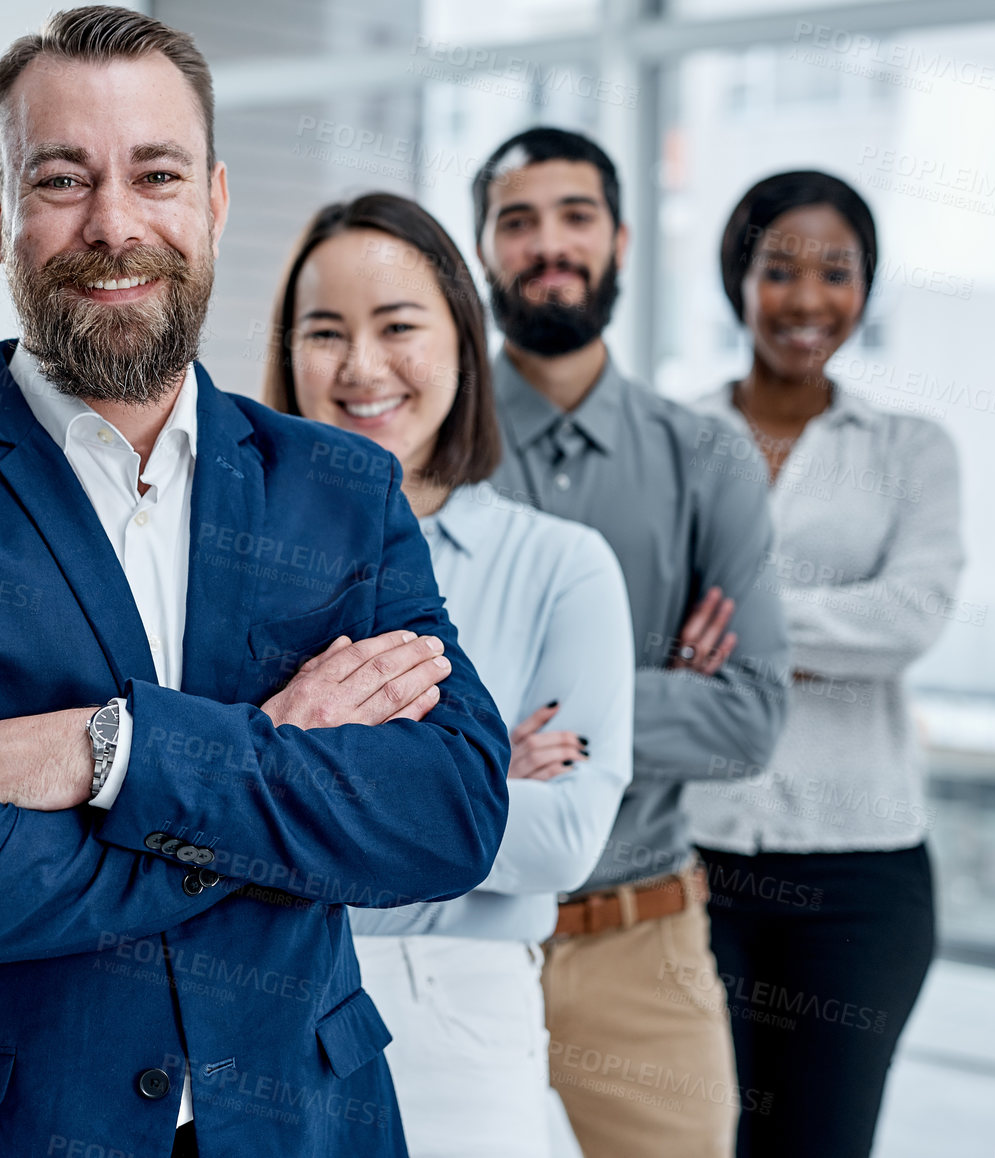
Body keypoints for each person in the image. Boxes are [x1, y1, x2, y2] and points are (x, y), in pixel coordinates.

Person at [0, 9, 512, 1158]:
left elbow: (449, 813)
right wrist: (272, 756)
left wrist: (115, 755)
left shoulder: (341, 489)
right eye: (63, 179)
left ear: (212, 200)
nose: (114, 224)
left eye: (155, 174)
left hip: (301, 1124)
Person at [264, 192, 633, 1157]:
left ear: (465, 344)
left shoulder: (564, 565)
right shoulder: (230, 562)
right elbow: (197, 816)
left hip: (458, 1008)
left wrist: (295, 775)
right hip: (258, 997)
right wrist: (460, 781)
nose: (360, 367)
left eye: (397, 327)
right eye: (324, 332)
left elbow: (562, 842)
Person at [472, 126, 791, 1157]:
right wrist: (648, 688)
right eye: (517, 221)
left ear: (618, 238)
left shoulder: (708, 455)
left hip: (640, 945)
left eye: (574, 218)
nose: (547, 245)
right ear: (484, 248)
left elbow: (748, 717)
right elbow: (392, 705)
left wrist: (515, 703)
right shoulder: (417, 449)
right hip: (453, 927)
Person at [685, 170, 964, 1158]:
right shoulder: (676, 441)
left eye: (836, 272)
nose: (808, 299)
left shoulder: (910, 451)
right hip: (692, 862)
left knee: (819, 1142)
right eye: (779, 270)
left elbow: (910, 617)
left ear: (865, 286)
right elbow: (642, 623)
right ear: (739, 281)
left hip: (862, 877)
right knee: (689, 1137)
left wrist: (735, 620)